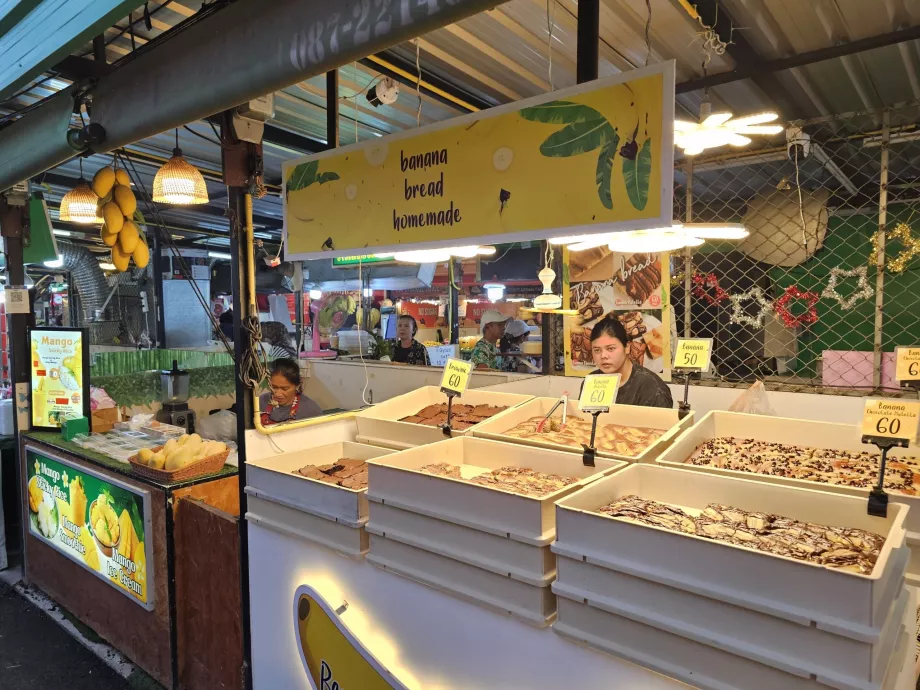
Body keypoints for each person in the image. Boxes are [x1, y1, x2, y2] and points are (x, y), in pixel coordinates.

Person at [581, 316, 673, 408]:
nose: (603, 356)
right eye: (597, 350)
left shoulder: (652, 388)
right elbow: (583, 416)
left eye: (610, 348)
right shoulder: (591, 381)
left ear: (627, 347)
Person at [259, 358, 323, 425]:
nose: (277, 394)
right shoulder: (260, 402)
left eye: (284, 389)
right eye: (274, 387)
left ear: (297, 385)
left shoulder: (311, 410)